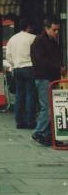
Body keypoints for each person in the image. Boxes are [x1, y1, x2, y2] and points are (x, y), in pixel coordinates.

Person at [30, 18, 66, 146]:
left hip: (53, 77)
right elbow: (41, 61)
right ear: (46, 28)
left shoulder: (54, 41)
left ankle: (48, 134)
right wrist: (58, 67)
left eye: (58, 30)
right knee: (47, 106)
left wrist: (61, 67)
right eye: (54, 29)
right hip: (44, 77)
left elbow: (56, 58)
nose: (56, 32)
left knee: (53, 106)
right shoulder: (39, 41)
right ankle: (39, 131)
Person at [5, 20, 37, 129]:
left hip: (17, 68)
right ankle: (30, 121)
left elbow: (8, 56)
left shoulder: (12, 39)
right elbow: (36, 54)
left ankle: (19, 121)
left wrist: (14, 63)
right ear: (29, 26)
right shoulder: (32, 38)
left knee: (19, 95)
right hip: (29, 67)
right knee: (30, 95)